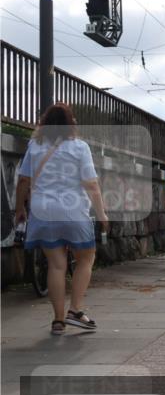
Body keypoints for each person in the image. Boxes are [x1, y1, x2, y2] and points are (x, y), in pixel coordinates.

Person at [14, 103, 107, 335]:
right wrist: (102, 213)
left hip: (42, 210)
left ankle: (57, 321)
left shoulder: (34, 145)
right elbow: (91, 184)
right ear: (70, 124)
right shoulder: (79, 147)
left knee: (56, 265)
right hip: (73, 210)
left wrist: (19, 210)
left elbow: (23, 181)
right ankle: (75, 310)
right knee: (86, 258)